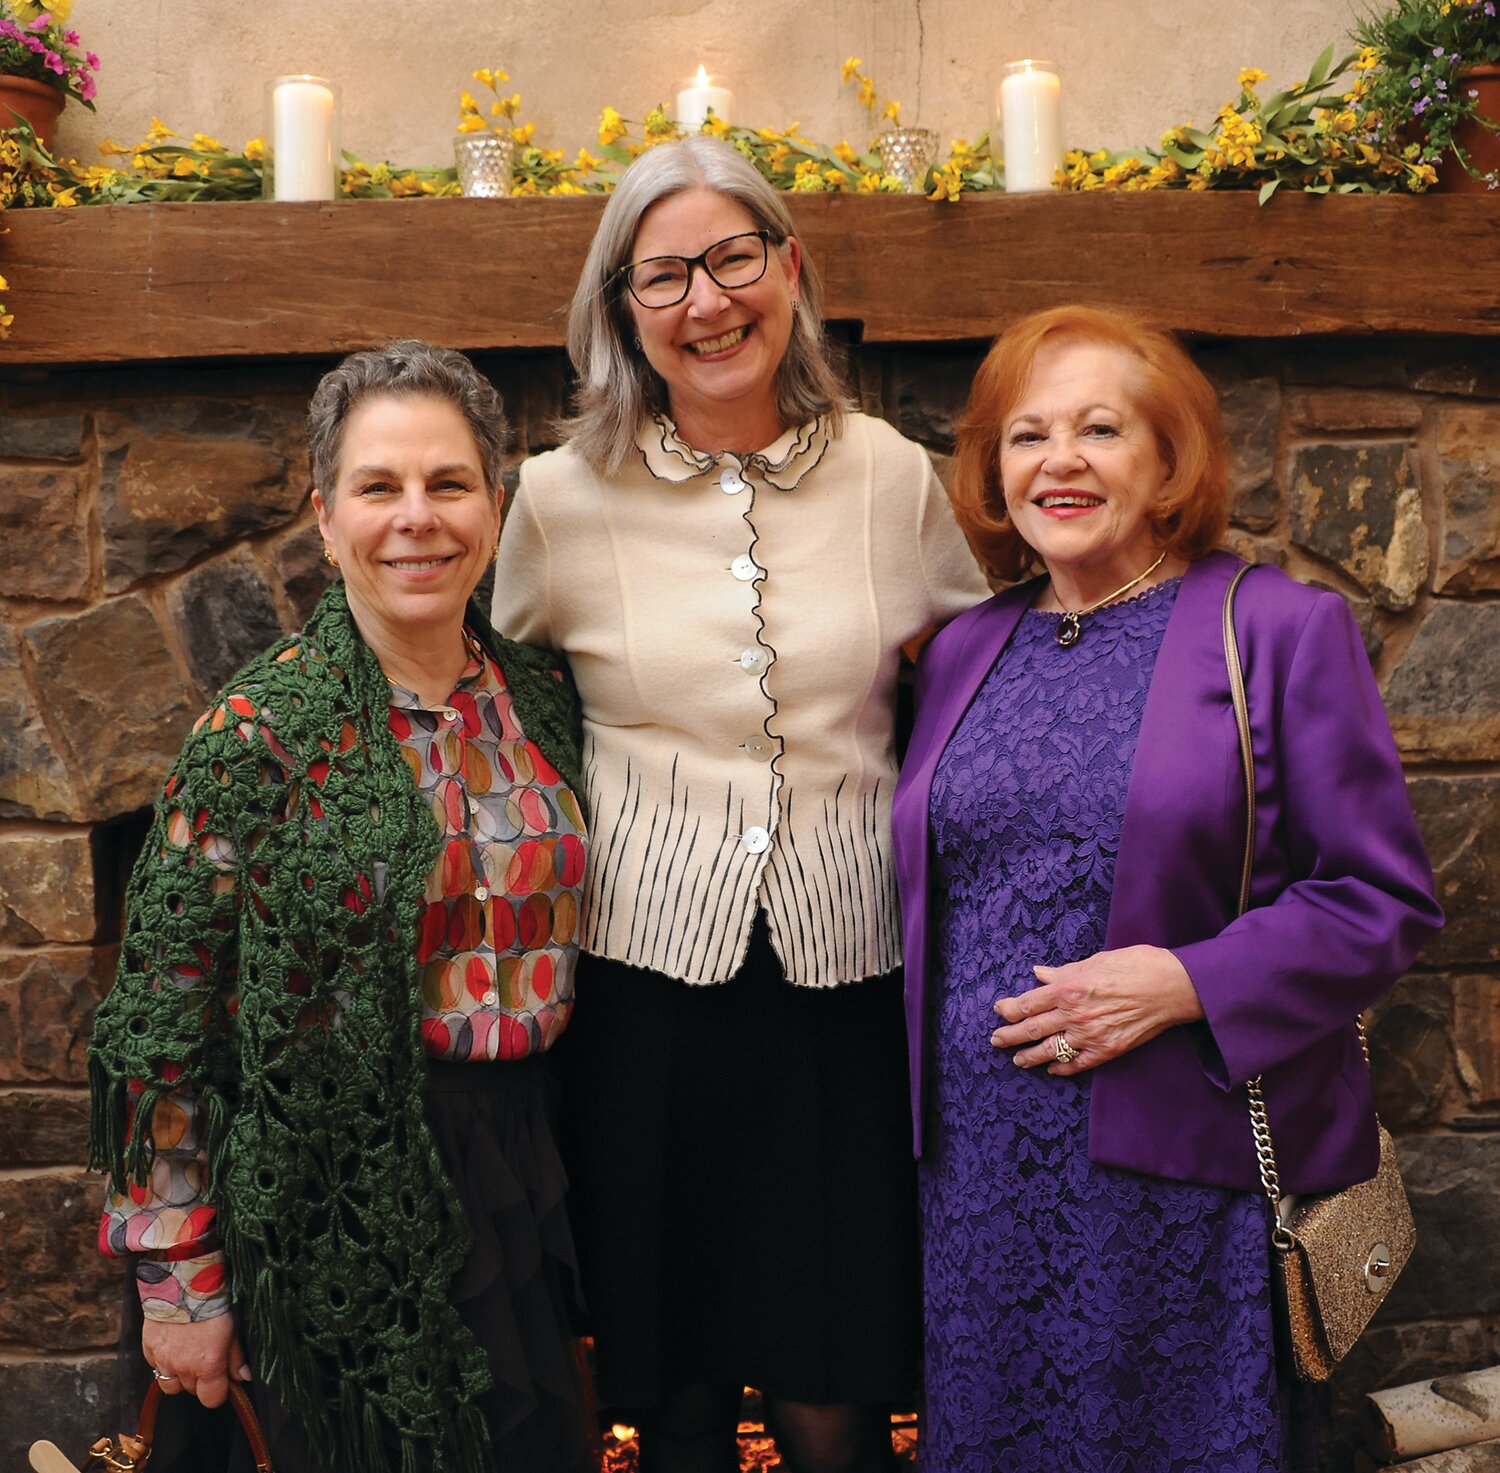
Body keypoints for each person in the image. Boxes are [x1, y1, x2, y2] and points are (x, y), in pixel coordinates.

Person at [490, 134, 989, 1473]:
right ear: (623, 314)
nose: (708, 302)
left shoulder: (889, 475)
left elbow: (976, 682)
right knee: (678, 1390)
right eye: (664, 276)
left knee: (840, 1386)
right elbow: (488, 691)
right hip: (644, 989)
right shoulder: (553, 500)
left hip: (845, 982)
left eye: (733, 257)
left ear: (790, 266)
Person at [891, 304, 1444, 1473]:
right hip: (976, 1181)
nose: (1061, 461)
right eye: (1029, 435)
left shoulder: (1282, 631)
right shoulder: (959, 651)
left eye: (1102, 428)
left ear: (1167, 462)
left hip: (1175, 1170)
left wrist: (1188, 979)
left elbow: (1382, 896)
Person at [89, 340, 592, 1473]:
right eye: (379, 488)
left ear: (496, 510)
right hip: (325, 1201)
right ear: (325, 519)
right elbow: (164, 1032)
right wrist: (179, 1285)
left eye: (449, 484)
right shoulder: (257, 737)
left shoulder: (545, 701)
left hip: (526, 1166)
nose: (417, 518)